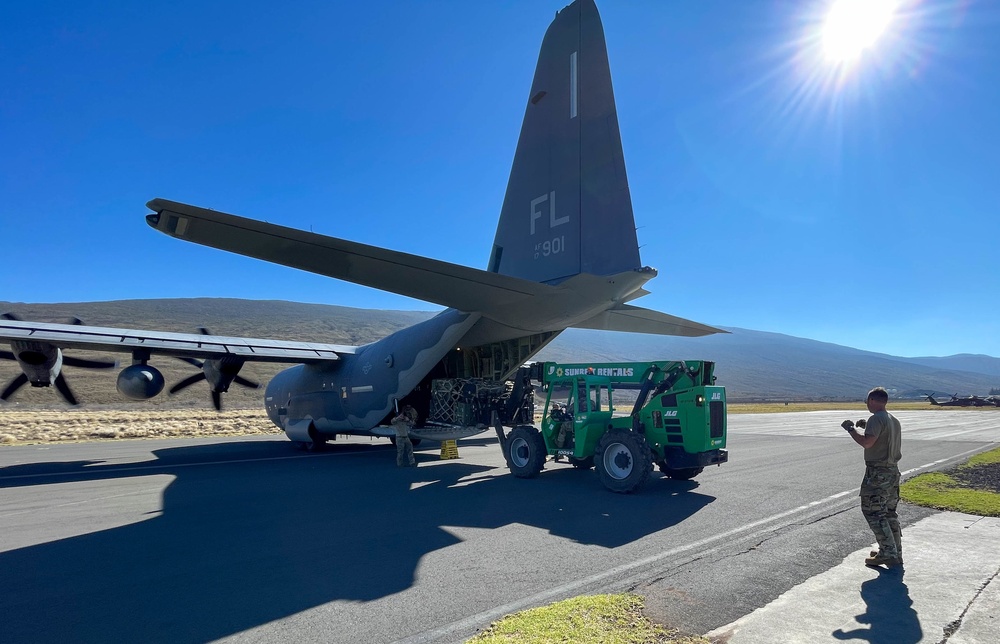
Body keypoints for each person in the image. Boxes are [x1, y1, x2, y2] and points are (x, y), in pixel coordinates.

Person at [841, 387, 903, 568]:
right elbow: (882, 438)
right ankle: (894, 551)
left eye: (868, 401)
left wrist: (851, 430)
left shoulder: (876, 418)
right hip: (892, 471)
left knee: (874, 512)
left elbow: (867, 443)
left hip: (878, 473)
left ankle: (888, 553)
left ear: (873, 401)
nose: (867, 404)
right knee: (889, 512)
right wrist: (866, 427)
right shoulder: (893, 420)